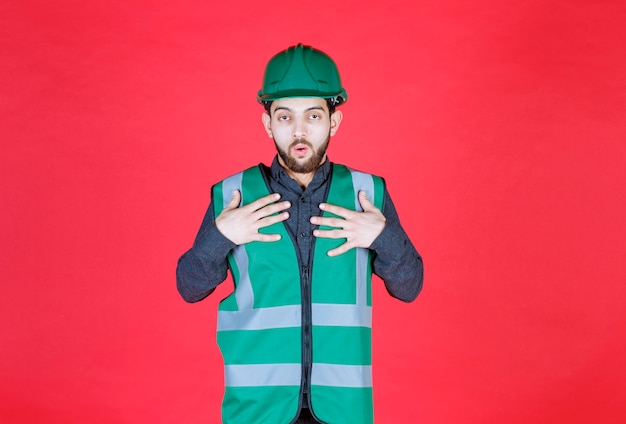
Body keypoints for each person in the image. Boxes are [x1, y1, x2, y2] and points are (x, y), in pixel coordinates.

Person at [176, 43, 424, 424]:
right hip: (257, 408)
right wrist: (220, 235)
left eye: (312, 116)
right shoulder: (233, 195)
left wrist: (382, 236)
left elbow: (410, 287)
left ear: (333, 122)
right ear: (267, 124)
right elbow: (189, 288)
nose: (299, 131)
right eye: (285, 117)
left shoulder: (367, 194)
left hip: (343, 406)